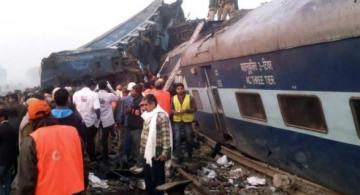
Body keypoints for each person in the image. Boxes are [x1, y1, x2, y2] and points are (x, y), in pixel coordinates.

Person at [17, 100, 85, 195]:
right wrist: (83, 186)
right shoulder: (73, 132)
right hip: (75, 190)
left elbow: (26, 180)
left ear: (31, 122)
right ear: (51, 114)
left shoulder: (30, 141)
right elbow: (84, 164)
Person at [139, 94, 172, 195]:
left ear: (153, 104)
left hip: (157, 153)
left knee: (157, 177)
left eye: (146, 105)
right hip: (146, 152)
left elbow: (166, 136)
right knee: (148, 175)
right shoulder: (147, 115)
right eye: (142, 105)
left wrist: (165, 152)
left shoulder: (161, 116)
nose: (144, 107)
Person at [73, 80, 101, 161]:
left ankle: (81, 157)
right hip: (90, 122)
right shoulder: (94, 94)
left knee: (81, 140)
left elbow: (74, 106)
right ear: (92, 86)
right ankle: (92, 158)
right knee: (90, 140)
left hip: (78, 121)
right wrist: (98, 120)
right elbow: (97, 110)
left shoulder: (76, 94)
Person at [171, 83, 197, 162]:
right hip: (177, 121)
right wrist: (174, 112)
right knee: (177, 139)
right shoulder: (173, 98)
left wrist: (186, 110)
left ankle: (189, 155)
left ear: (184, 89)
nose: (180, 90)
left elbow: (195, 109)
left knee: (189, 138)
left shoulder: (190, 98)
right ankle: (179, 156)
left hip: (187, 121)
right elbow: (171, 109)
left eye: (181, 88)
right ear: (176, 90)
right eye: (178, 89)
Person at [97, 81, 118, 162]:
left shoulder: (95, 95)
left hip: (97, 120)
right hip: (107, 120)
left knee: (98, 138)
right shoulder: (109, 95)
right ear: (106, 87)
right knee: (106, 138)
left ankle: (99, 153)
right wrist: (111, 89)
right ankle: (105, 156)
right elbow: (118, 98)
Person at [0, 108, 18, 195]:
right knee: (7, 180)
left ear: (2, 117)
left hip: (2, 160)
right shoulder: (13, 128)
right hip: (11, 159)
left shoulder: (1, 129)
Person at [125, 84, 144, 165]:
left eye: (132, 90)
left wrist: (131, 110)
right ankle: (133, 160)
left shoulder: (142, 100)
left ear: (137, 91)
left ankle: (139, 162)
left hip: (137, 126)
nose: (131, 92)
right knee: (133, 144)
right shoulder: (135, 99)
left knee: (138, 145)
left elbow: (141, 112)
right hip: (131, 125)